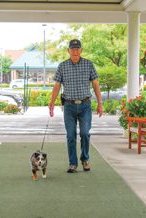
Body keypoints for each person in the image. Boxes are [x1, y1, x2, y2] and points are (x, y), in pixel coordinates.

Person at [49, 39, 104, 173]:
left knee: (85, 133)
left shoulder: (88, 64)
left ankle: (85, 159)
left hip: (85, 105)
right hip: (69, 106)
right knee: (71, 135)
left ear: (81, 50)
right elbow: (57, 85)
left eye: (77, 49)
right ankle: (72, 163)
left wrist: (100, 103)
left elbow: (95, 84)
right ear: (68, 51)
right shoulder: (62, 66)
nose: (75, 51)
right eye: (72, 49)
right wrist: (51, 102)